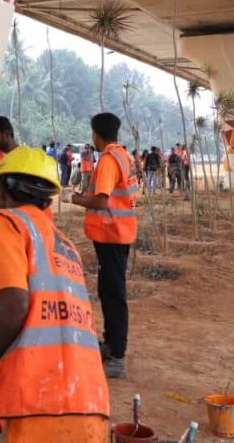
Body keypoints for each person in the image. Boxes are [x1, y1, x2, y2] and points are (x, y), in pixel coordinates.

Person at [0, 146, 110, 441]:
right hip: (91, 404)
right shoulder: (65, 246)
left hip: (37, 405)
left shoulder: (5, 223)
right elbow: (47, 331)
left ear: (5, 189)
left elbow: (17, 305)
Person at [70, 113, 139, 379]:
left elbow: (101, 201)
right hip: (118, 233)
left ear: (95, 134)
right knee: (108, 290)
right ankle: (111, 345)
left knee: (113, 295)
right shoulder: (124, 155)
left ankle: (117, 357)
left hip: (112, 234)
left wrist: (74, 198)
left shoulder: (110, 160)